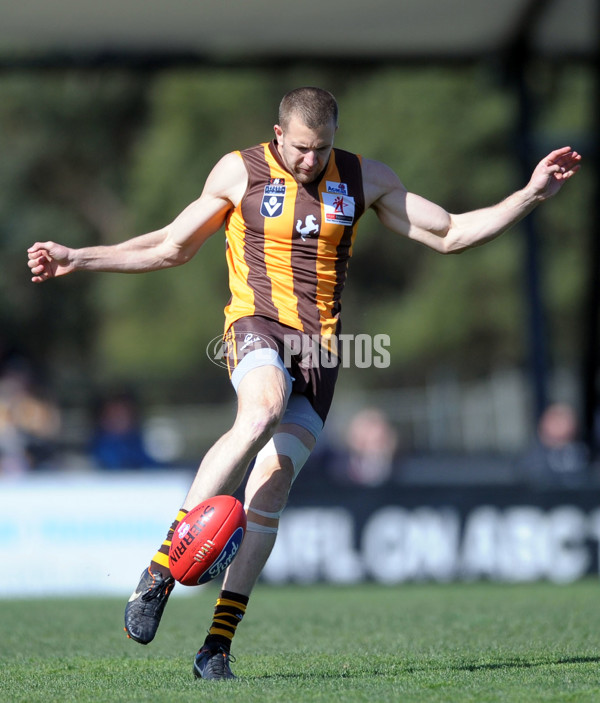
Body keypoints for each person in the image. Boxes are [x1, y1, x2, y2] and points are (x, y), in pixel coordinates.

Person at [27, 87, 581, 680]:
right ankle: (162, 570)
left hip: (320, 353)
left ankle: (216, 646)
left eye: (321, 149)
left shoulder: (365, 178)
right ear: (277, 133)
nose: (309, 161)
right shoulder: (240, 172)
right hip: (256, 324)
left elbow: (449, 233)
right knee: (261, 410)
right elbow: (170, 246)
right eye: (299, 148)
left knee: (271, 486)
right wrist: (79, 258)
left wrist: (529, 195)